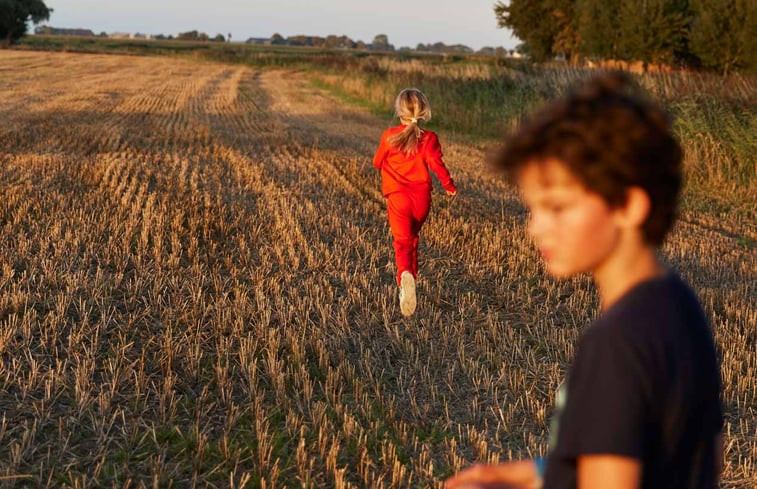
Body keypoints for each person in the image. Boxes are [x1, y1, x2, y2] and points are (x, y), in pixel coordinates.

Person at [445, 73, 723, 489]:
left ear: (628, 206)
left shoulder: (615, 344)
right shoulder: (677, 305)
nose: (535, 228)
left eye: (557, 207)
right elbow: (667, 461)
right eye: (533, 208)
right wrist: (529, 475)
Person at [373, 88, 457, 316]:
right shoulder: (429, 138)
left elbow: (377, 162)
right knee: (413, 240)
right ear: (423, 112)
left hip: (398, 199)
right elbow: (437, 165)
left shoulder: (389, 136)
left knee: (401, 243)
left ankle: (405, 277)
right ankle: (411, 278)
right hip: (422, 201)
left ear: (398, 111)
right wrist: (449, 186)